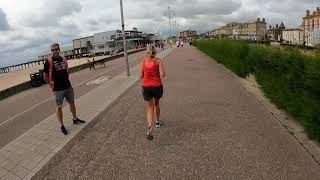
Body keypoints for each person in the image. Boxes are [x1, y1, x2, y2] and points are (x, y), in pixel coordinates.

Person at [44, 43, 85, 135]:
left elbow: (67, 69)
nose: (54, 51)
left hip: (68, 86)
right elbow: (45, 76)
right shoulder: (48, 62)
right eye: (53, 50)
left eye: (56, 49)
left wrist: (66, 75)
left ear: (59, 49)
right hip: (57, 89)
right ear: (51, 51)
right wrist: (50, 84)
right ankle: (62, 126)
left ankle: (75, 119)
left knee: (72, 103)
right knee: (59, 107)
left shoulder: (64, 59)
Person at [140, 45, 166, 140]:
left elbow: (140, 76)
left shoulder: (144, 61)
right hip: (157, 86)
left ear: (147, 52)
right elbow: (163, 75)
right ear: (155, 52)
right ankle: (157, 122)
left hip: (146, 87)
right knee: (157, 104)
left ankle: (150, 127)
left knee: (150, 107)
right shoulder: (158, 61)